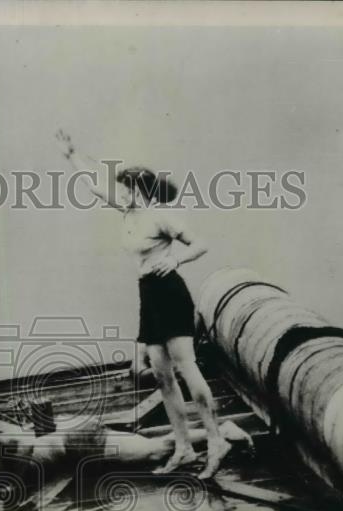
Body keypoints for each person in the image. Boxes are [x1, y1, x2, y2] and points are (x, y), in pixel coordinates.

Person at [56, 129, 227, 479]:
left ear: (138, 190)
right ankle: (183, 448)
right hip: (148, 294)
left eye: (125, 188)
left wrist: (177, 260)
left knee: (186, 366)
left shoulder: (161, 215)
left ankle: (216, 440)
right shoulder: (127, 213)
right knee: (162, 374)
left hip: (169, 291)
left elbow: (200, 244)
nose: (119, 193)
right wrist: (71, 154)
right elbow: (93, 186)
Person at [0, 418, 253, 481]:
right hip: (81, 454)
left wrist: (16, 478)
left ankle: (222, 431)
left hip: (79, 441)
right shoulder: (0, 475)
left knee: (154, 450)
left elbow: (30, 440)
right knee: (155, 452)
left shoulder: (3, 445)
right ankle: (216, 435)